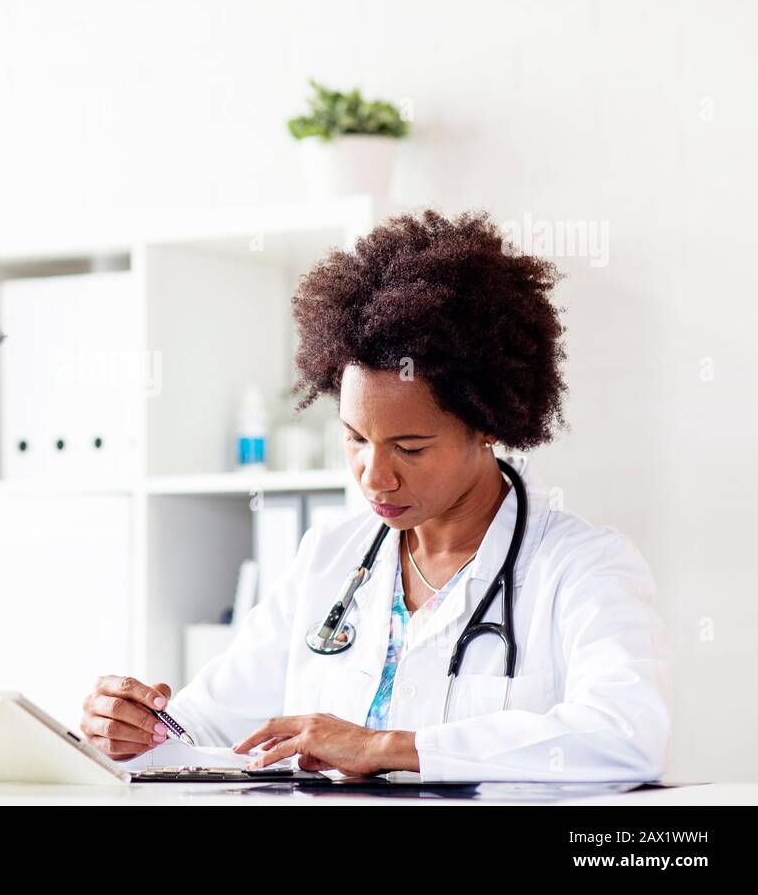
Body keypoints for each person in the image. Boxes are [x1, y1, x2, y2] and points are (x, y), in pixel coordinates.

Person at [78, 210, 672, 782]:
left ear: (489, 424)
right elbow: (211, 726)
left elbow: (626, 736)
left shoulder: (581, 566)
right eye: (355, 439)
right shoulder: (330, 556)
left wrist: (387, 748)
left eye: (410, 448)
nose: (373, 475)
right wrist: (138, 729)